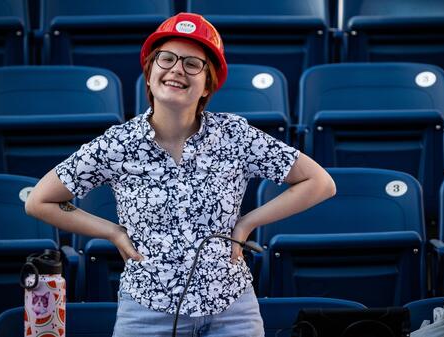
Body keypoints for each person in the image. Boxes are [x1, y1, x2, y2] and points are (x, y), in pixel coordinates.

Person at [25, 12, 336, 337]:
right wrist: (113, 232)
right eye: (167, 59)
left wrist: (247, 223)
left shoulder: (235, 135)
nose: (176, 69)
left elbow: (320, 183)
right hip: (146, 309)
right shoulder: (117, 143)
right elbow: (40, 201)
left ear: (207, 85)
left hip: (231, 308)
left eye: (192, 63)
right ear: (149, 74)